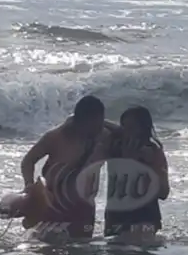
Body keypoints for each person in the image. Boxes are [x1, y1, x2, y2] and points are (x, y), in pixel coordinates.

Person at [20, 95, 116, 238]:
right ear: (80, 121)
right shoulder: (56, 137)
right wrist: (29, 185)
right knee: (48, 251)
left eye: (100, 122)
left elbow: (127, 133)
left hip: (84, 208)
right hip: (53, 204)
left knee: (83, 252)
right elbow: (28, 161)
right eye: (94, 124)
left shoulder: (105, 137)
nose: (98, 128)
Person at [103, 106, 169, 237]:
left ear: (143, 130)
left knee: (140, 254)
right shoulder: (114, 146)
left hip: (145, 216)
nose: (127, 133)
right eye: (124, 127)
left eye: (132, 128)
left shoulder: (152, 152)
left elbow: (163, 193)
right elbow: (97, 124)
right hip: (116, 216)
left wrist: (150, 168)